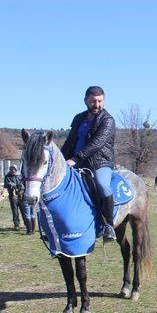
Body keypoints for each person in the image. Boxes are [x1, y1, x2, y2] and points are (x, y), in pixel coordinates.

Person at [61, 86, 117, 242]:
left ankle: (108, 226)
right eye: (93, 101)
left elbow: (97, 143)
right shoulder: (78, 118)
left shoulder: (107, 120)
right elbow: (70, 141)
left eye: (100, 101)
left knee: (101, 184)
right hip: (75, 162)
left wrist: (75, 159)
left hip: (99, 162)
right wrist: (60, 159)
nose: (97, 104)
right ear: (86, 100)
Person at [4, 164, 24, 229]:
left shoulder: (20, 176)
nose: (12, 170)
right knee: (15, 211)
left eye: (13, 169)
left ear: (16, 169)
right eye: (11, 169)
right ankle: (16, 225)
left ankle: (27, 224)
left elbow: (23, 184)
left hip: (21, 195)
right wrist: (10, 184)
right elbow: (5, 185)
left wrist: (19, 186)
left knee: (24, 210)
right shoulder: (7, 176)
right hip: (12, 196)